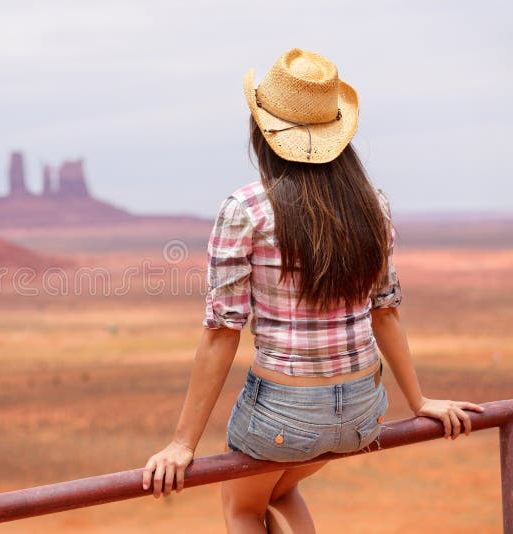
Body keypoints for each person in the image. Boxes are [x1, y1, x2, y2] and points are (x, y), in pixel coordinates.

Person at [141, 48, 485, 533]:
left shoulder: (246, 210)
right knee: (280, 489)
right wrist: (419, 400)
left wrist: (182, 444)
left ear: (263, 132)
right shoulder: (374, 206)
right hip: (364, 410)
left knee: (241, 507)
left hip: (284, 413)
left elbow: (223, 332)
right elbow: (386, 312)